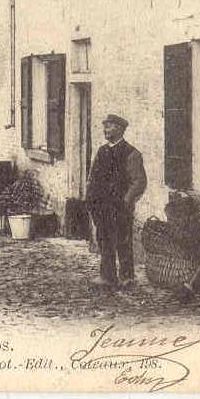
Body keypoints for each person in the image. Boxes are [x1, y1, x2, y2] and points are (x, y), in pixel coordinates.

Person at [85, 114, 147, 289]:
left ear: (120, 129)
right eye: (105, 126)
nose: (105, 130)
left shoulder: (132, 153)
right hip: (101, 205)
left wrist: (127, 201)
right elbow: (93, 176)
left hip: (120, 207)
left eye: (109, 126)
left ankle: (127, 277)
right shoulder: (102, 151)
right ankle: (107, 276)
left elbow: (139, 181)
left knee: (123, 240)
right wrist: (91, 197)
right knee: (104, 239)